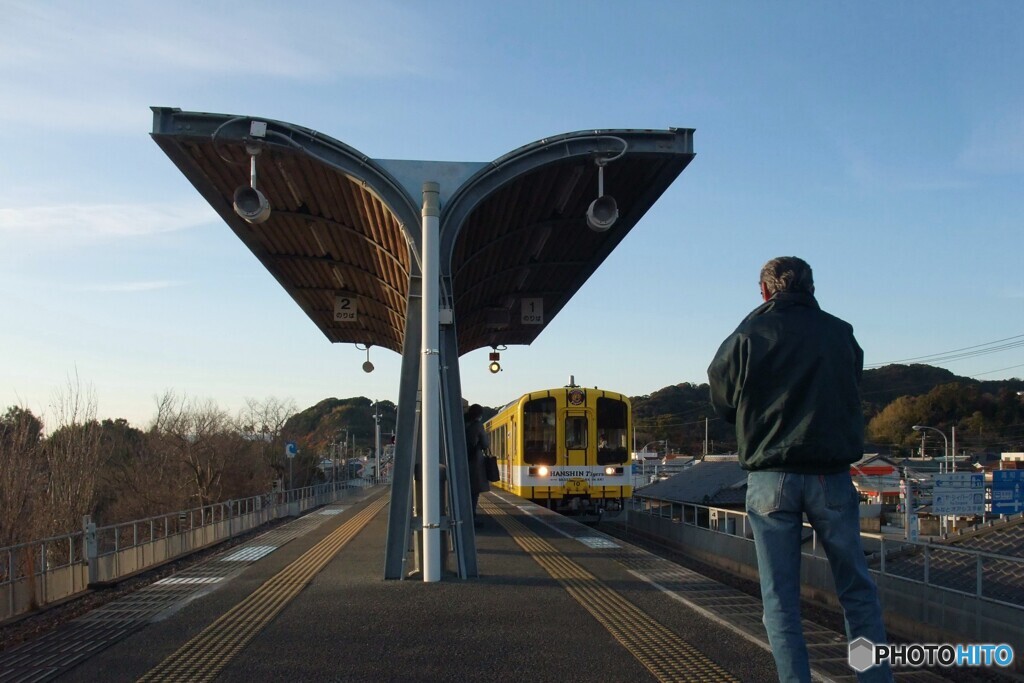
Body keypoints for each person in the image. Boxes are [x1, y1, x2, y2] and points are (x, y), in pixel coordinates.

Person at [707, 257, 892, 683]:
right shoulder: (840, 332)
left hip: (772, 478)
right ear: (811, 288)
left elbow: (722, 395)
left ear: (765, 291)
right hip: (832, 476)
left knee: (781, 601)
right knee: (857, 593)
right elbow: (850, 383)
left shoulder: (749, 333)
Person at [464, 404, 490, 527]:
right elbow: (485, 444)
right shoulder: (477, 426)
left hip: (459, 461)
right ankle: (471, 518)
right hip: (474, 462)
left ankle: (463, 515)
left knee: (463, 491)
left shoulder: (461, 422)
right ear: (479, 415)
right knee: (474, 491)